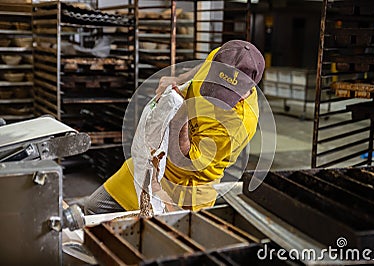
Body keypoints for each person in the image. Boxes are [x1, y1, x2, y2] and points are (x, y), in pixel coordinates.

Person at [85, 40, 265, 214]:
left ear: (247, 89)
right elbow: (203, 65)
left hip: (184, 188)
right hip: (151, 165)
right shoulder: (224, 58)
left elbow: (183, 159)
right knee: (94, 208)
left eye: (223, 94)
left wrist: (179, 115)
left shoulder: (238, 124)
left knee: (156, 239)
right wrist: (179, 78)